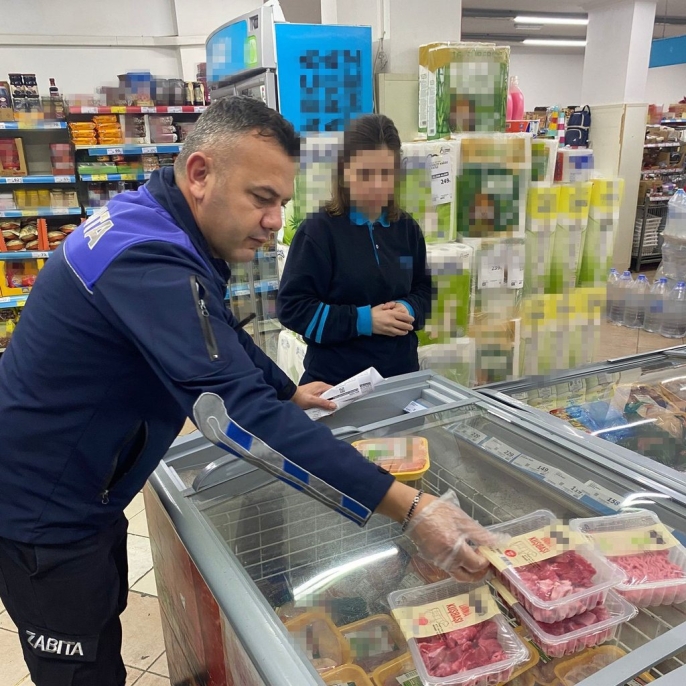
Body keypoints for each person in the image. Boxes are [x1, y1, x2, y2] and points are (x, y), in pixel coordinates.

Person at [0, 97, 493, 686]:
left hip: (91, 486)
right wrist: (412, 509)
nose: (275, 220)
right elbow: (241, 414)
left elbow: (218, 329)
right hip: (45, 512)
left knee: (101, 627)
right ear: (200, 173)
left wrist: (287, 391)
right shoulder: (147, 261)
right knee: (79, 669)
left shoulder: (156, 223)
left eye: (281, 202)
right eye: (261, 198)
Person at [276, 113, 432, 386]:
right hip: (336, 384)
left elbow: (424, 290)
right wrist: (363, 320)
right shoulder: (318, 232)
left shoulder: (407, 229)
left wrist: (409, 308)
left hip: (401, 378)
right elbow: (293, 308)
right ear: (344, 171)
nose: (377, 185)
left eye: (386, 174)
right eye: (365, 174)